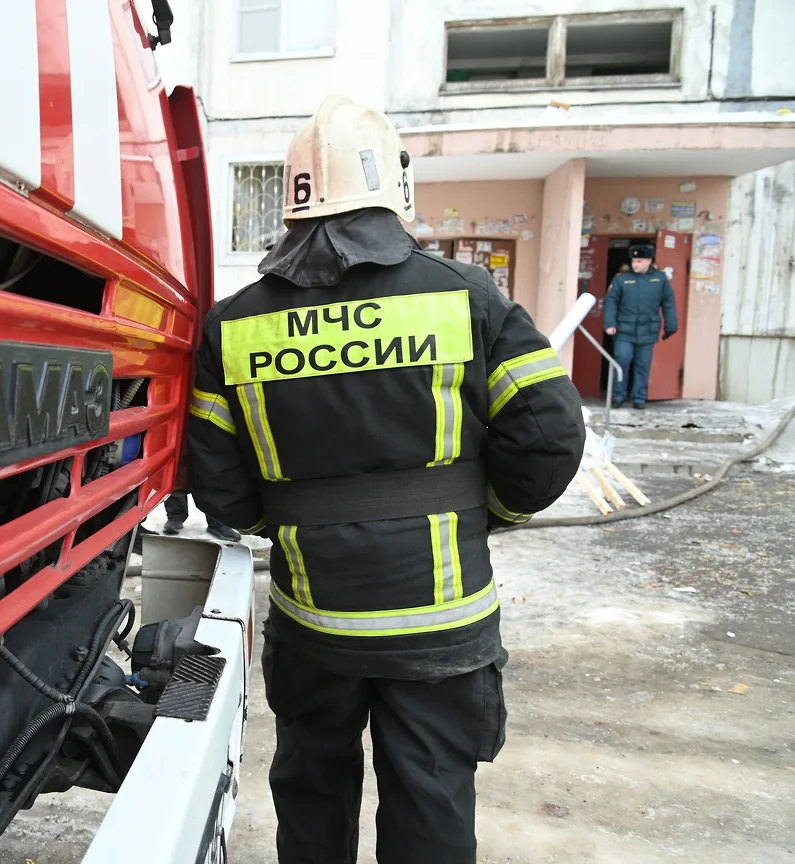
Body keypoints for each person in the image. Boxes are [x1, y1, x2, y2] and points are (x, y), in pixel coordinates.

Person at [184, 95, 585, 864]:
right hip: (441, 620)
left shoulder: (232, 324)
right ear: (394, 189)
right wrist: (483, 509)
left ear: (293, 194)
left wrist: (294, 523)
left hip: (312, 621)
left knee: (310, 784)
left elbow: (220, 483)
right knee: (429, 795)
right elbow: (548, 437)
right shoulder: (465, 297)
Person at [603, 244, 678, 409]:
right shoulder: (621, 280)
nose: (635, 264)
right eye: (634, 261)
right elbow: (611, 302)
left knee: (642, 364)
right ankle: (618, 395)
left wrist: (671, 325)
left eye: (639, 261)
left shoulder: (660, 279)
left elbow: (668, 303)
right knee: (622, 359)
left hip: (648, 329)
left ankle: (639, 398)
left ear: (649, 261)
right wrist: (610, 323)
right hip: (624, 329)